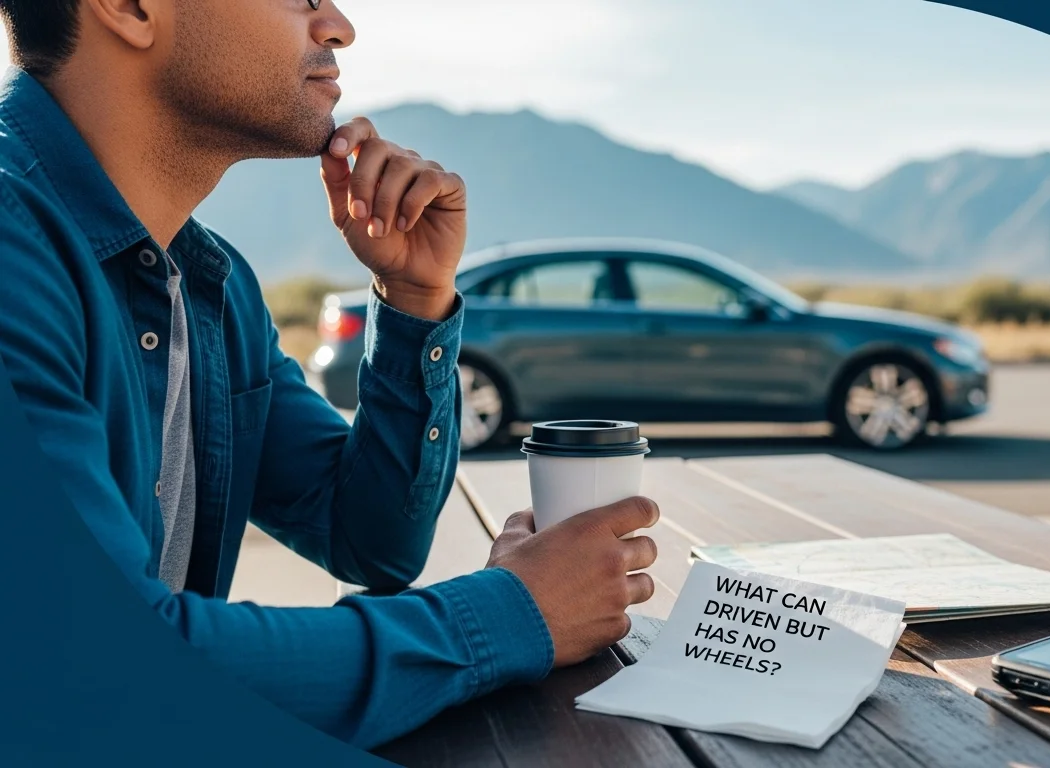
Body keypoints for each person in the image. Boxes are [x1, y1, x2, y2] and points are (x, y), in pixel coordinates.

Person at [0, 0, 659, 750]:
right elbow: (102, 665)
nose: (340, 25)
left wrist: (413, 301)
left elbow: (370, 539)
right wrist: (513, 613)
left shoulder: (211, 283)